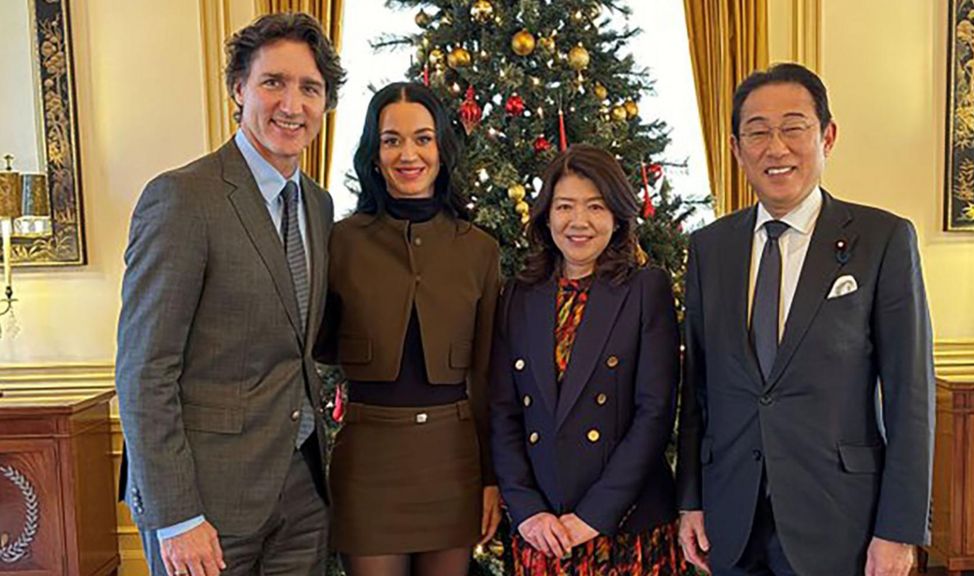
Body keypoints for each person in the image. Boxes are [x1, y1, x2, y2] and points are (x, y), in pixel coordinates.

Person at [676, 62, 935, 576]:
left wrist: (899, 530)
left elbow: (910, 396)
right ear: (736, 149)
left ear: (827, 137)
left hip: (841, 521)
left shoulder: (882, 240)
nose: (776, 148)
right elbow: (698, 389)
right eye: (757, 132)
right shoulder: (710, 248)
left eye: (793, 128)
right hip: (732, 517)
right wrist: (691, 501)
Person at [115, 12, 343, 576]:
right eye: (274, 82)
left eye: (310, 88)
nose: (292, 104)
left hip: (301, 494)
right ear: (239, 89)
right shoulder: (183, 199)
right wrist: (177, 516)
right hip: (204, 505)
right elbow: (145, 370)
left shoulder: (318, 206)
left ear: (325, 103)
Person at [313, 81, 502, 576]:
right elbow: (317, 346)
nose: (408, 154)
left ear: (441, 149)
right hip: (368, 463)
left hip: (453, 464)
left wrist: (490, 477)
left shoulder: (480, 250)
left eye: (422, 138)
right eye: (391, 140)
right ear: (374, 156)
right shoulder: (340, 242)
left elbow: (486, 376)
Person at [490, 144, 685, 575]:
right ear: (546, 216)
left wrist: (594, 516)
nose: (579, 221)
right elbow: (503, 414)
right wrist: (526, 510)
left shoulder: (645, 289)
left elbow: (654, 413)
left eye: (595, 206)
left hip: (627, 529)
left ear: (617, 216)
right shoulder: (519, 296)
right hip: (543, 533)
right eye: (565, 206)